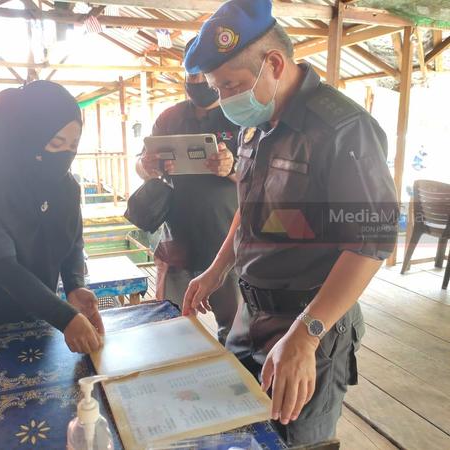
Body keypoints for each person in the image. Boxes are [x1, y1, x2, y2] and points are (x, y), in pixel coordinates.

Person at [182, 0, 398, 445]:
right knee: (238, 428)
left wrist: (307, 333)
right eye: (217, 89)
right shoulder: (257, 125)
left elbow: (372, 241)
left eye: (230, 86)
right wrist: (217, 268)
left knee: (295, 439)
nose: (224, 101)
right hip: (251, 310)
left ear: (274, 63)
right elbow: (251, 207)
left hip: (310, 320)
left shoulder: (342, 129)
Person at [0, 81, 104, 355]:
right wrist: (66, 318)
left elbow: (72, 241)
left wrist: (75, 286)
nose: (66, 154)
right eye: (56, 142)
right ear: (27, 137)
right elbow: (0, 266)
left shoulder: (66, 186)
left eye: (73, 144)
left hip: (35, 313)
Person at [136, 39, 242, 344]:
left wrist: (231, 168)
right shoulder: (169, 118)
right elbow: (141, 169)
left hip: (226, 243)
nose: (198, 82)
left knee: (234, 331)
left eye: (204, 75)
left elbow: (261, 179)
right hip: (175, 240)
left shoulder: (240, 117)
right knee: (169, 324)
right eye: (192, 75)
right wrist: (147, 165)